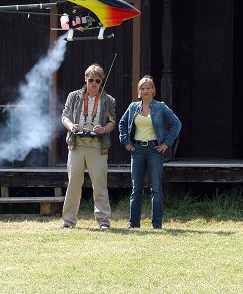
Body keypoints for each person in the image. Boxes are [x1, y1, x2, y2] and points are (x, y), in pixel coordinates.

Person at [119, 75, 181, 229]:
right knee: (136, 188)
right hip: (137, 150)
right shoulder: (133, 107)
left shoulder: (160, 107)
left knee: (156, 188)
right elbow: (122, 123)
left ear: (153, 90)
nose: (145, 90)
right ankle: (133, 223)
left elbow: (176, 124)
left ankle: (157, 224)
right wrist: (126, 141)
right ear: (138, 91)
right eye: (142, 88)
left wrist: (166, 143)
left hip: (155, 150)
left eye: (148, 88)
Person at [60, 63, 116, 229]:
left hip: (98, 146)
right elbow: (64, 117)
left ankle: (103, 221)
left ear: (102, 81)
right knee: (73, 183)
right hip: (76, 145)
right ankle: (68, 221)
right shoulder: (73, 96)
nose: (94, 83)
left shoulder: (109, 100)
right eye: (90, 79)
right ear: (85, 79)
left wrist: (104, 129)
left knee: (99, 184)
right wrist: (72, 127)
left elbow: (113, 121)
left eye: (97, 81)